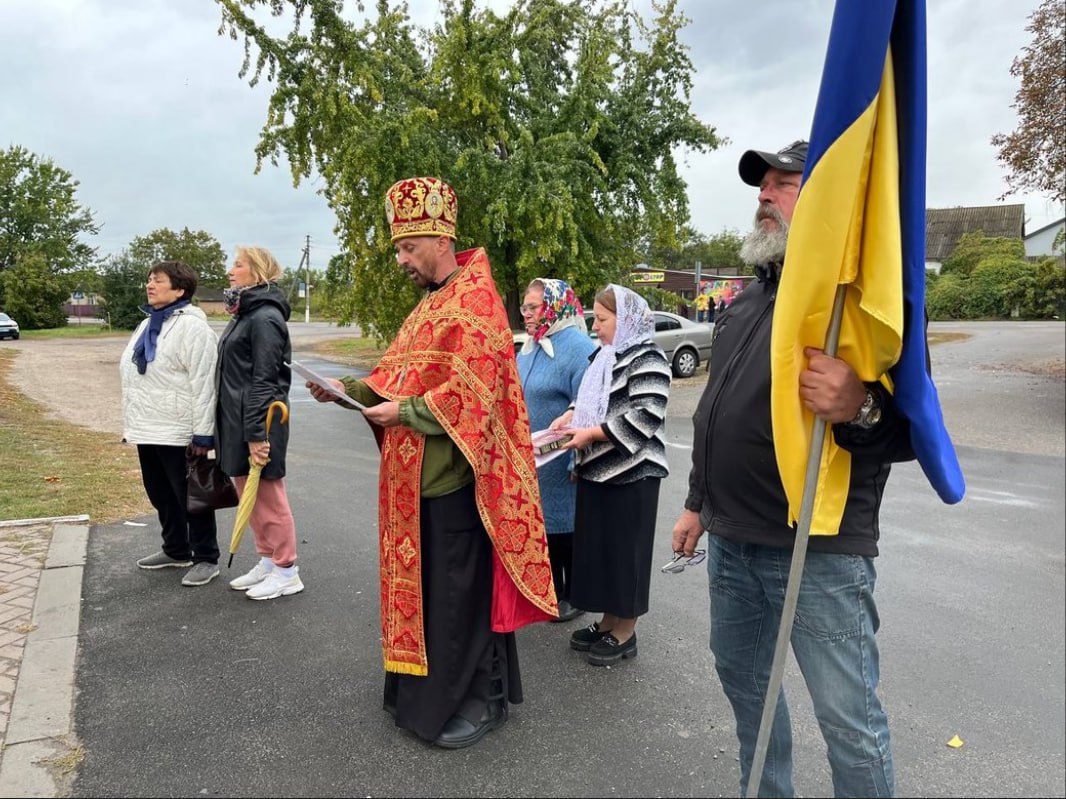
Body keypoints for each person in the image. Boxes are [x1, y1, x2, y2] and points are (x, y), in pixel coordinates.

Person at [671, 139, 909, 797]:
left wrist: (859, 404)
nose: (763, 197)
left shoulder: (859, 302)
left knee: (850, 725)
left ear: (830, 200)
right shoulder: (746, 303)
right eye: (761, 186)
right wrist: (696, 501)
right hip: (731, 545)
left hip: (819, 551)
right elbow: (715, 414)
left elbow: (915, 430)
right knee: (752, 703)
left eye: (782, 184)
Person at [307, 176, 556, 750]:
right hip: (411, 481)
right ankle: (419, 694)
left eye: (408, 247)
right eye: (397, 248)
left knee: (460, 602)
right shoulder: (430, 306)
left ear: (441, 239)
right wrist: (349, 389)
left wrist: (408, 413)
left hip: (456, 482)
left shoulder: (475, 303)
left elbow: (476, 393)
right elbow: (398, 375)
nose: (401, 260)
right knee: (428, 596)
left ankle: (482, 701)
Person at [551, 284, 671, 666]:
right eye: (594, 320)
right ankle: (606, 622)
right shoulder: (603, 357)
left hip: (633, 475)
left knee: (625, 555)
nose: (596, 328)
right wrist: (571, 416)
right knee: (600, 553)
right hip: (596, 472)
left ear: (626, 320)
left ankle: (626, 631)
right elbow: (586, 397)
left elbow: (645, 415)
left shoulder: (648, 358)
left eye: (602, 320)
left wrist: (592, 433)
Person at [121, 260, 221, 586]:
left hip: (179, 430)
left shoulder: (194, 329)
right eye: (149, 280)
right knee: (160, 493)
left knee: (191, 497)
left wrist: (203, 435)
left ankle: (206, 557)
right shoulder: (148, 323)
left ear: (180, 289)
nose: (150, 285)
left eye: (158, 281)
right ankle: (176, 549)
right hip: (148, 425)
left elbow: (205, 384)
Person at [216, 246, 303, 601]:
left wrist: (256, 434)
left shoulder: (265, 317)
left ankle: (287, 570)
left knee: (268, 495)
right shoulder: (243, 313)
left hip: (260, 420)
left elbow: (264, 381)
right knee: (248, 494)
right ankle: (268, 559)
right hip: (238, 421)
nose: (230, 271)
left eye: (238, 265)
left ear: (258, 272)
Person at [516, 278, 596, 623]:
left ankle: (573, 593)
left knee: (566, 529)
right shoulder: (531, 346)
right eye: (524, 308)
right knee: (544, 528)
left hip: (563, 457)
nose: (527, 315)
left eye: (533, 307)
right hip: (533, 458)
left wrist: (578, 457)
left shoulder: (577, 346)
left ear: (555, 306)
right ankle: (549, 590)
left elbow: (589, 404)